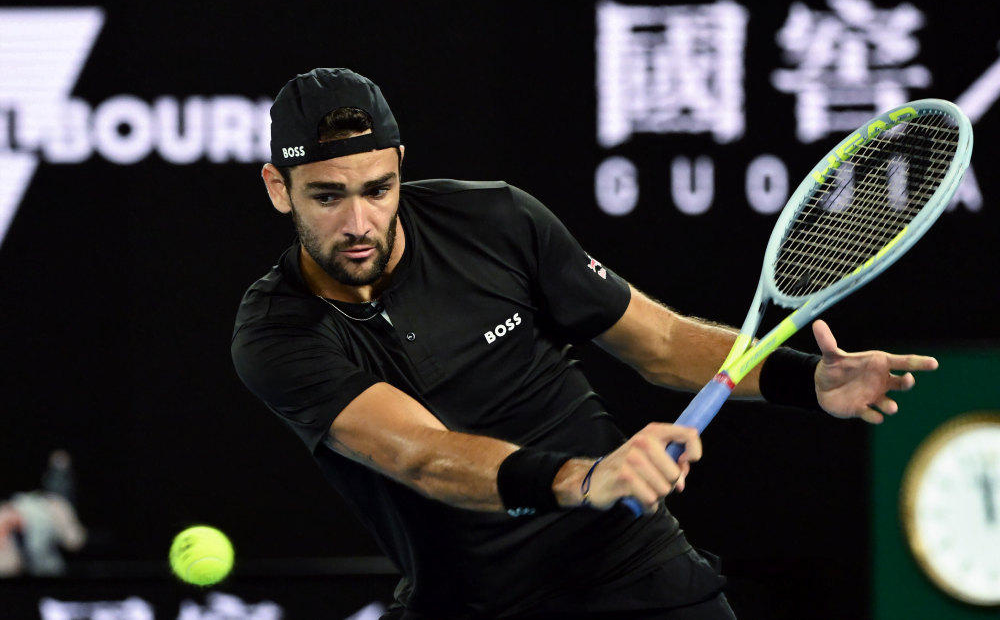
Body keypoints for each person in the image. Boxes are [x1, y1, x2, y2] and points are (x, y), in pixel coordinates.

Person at [231, 68, 937, 620]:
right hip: (472, 601)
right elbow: (423, 455)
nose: (359, 220)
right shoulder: (276, 332)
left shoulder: (496, 219)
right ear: (278, 188)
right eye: (327, 196)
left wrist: (801, 380)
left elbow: (658, 342)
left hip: (630, 570)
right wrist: (583, 479)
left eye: (378, 188)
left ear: (401, 166)